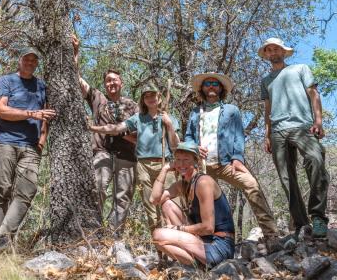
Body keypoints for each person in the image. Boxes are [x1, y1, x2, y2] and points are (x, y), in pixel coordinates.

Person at [184, 72, 278, 243]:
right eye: (207, 84)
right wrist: (194, 148)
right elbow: (189, 136)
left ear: (221, 88)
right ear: (202, 89)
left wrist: (237, 158)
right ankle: (202, 242)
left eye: (215, 83)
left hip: (227, 163)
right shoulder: (195, 112)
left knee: (251, 184)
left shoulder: (231, 110)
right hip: (202, 166)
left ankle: (271, 234)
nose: (211, 86)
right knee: (197, 201)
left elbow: (238, 136)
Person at [0, 48, 56, 254]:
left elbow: (46, 115)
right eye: (27, 58)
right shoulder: (7, 81)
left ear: (36, 64)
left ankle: (1, 242)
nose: (30, 62)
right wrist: (31, 113)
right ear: (20, 61)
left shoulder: (42, 85)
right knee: (3, 192)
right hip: (5, 143)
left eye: (34, 60)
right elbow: (0, 110)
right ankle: (2, 247)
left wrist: (42, 140)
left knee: (27, 191)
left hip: (31, 146)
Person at [259, 37, 329, 239]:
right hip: (278, 131)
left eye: (276, 49)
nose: (273, 53)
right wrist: (267, 134)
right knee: (286, 178)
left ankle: (318, 217)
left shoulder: (300, 69)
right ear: (266, 55)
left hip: (302, 126)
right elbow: (268, 108)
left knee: (315, 160)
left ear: (283, 51)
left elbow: (313, 94)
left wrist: (318, 121)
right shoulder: (266, 81)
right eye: (269, 50)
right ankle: (301, 224)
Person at [90, 85, 180, 230]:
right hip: (143, 166)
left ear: (159, 98)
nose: (150, 99)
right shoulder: (138, 118)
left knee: (169, 204)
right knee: (150, 207)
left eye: (153, 95)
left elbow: (176, 146)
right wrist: (93, 128)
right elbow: (116, 128)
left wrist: (169, 125)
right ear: (143, 100)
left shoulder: (169, 118)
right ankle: (159, 246)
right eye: (146, 96)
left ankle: (174, 242)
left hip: (165, 165)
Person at [71, 35, 138, 229]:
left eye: (114, 80)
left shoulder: (133, 106)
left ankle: (114, 234)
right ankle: (95, 229)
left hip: (127, 156)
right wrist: (76, 52)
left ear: (121, 83)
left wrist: (119, 132)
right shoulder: (98, 98)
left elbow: (139, 135)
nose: (111, 83)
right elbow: (77, 79)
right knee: (98, 187)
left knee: (123, 196)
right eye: (108, 81)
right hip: (102, 152)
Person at [150, 142, 235, 268]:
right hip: (202, 240)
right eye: (178, 160)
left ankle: (197, 265)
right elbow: (155, 200)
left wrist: (179, 229)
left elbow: (208, 228)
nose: (181, 164)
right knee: (167, 205)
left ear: (196, 161)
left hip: (219, 244)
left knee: (158, 235)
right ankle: (196, 263)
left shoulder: (203, 182)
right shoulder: (183, 184)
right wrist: (164, 170)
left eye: (186, 160)